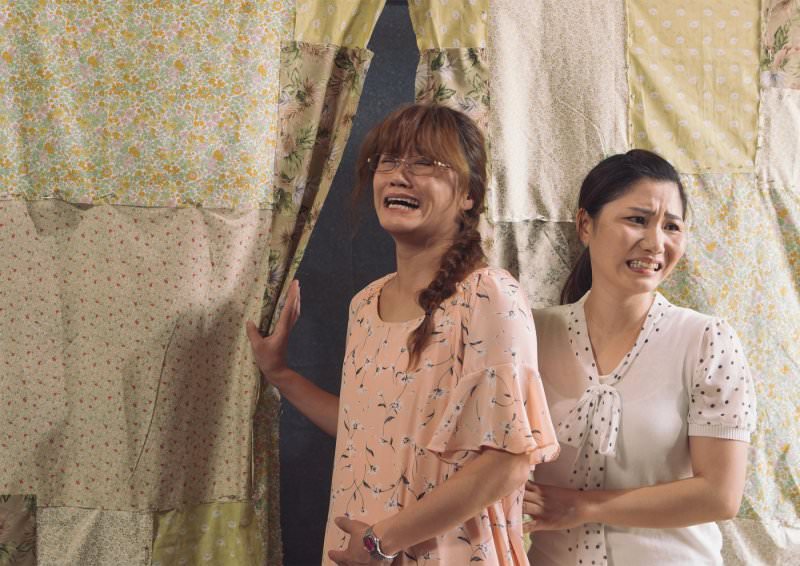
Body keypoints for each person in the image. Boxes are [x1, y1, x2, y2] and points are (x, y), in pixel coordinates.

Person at [247, 104, 559, 565]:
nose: (399, 175)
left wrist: (380, 541)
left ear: (469, 195)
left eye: (425, 163)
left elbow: (508, 462)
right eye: (388, 161)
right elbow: (366, 428)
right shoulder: (364, 304)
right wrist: (280, 374)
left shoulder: (488, 295)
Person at [523, 150, 757, 566]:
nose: (655, 243)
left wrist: (582, 506)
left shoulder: (707, 341)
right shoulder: (531, 334)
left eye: (672, 226)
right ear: (585, 225)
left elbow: (720, 495)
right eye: (637, 219)